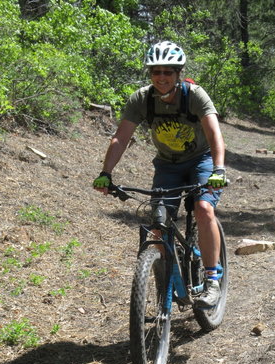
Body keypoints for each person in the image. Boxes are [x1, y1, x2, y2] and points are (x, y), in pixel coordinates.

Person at [93, 41, 227, 308]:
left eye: (168, 72)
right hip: (167, 165)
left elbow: (214, 133)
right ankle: (161, 280)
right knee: (158, 224)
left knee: (203, 208)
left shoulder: (195, 95)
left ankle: (212, 281)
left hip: (200, 160)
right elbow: (121, 138)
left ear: (178, 74)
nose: (162, 77)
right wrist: (106, 173)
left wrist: (218, 169)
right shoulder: (142, 99)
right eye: (156, 72)